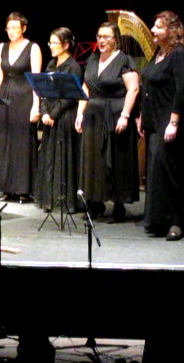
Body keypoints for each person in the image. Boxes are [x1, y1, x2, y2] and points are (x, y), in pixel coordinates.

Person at [138, 11, 184, 241]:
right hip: (155, 120)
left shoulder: (180, 54)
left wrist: (173, 122)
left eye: (158, 27)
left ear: (171, 31)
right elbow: (149, 86)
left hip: (170, 121)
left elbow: (183, 90)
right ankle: (160, 219)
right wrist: (142, 116)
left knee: (172, 172)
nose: (153, 30)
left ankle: (178, 221)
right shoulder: (159, 53)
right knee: (157, 172)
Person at [75, 22, 140, 222]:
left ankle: (119, 205)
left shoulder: (124, 60)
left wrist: (125, 115)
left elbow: (133, 89)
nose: (102, 41)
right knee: (94, 160)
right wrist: (79, 114)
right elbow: (86, 87)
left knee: (117, 160)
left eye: (106, 37)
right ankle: (96, 203)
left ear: (115, 39)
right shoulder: (93, 59)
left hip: (115, 114)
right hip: (93, 116)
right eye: (99, 36)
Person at [0, 12, 42, 203]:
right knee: (4, 141)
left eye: (15, 28)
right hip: (4, 96)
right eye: (9, 28)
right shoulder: (2, 47)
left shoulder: (33, 48)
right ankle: (7, 188)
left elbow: (36, 79)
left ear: (24, 29)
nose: (11, 31)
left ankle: (24, 189)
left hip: (24, 97)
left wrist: (36, 106)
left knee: (22, 142)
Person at [35, 27, 84, 213]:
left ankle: (67, 201)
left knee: (65, 157)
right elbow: (43, 91)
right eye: (50, 42)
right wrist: (44, 112)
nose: (51, 46)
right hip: (50, 116)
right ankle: (50, 199)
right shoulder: (51, 64)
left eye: (54, 43)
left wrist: (54, 114)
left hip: (65, 117)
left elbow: (71, 96)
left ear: (66, 45)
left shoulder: (74, 67)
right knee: (49, 157)